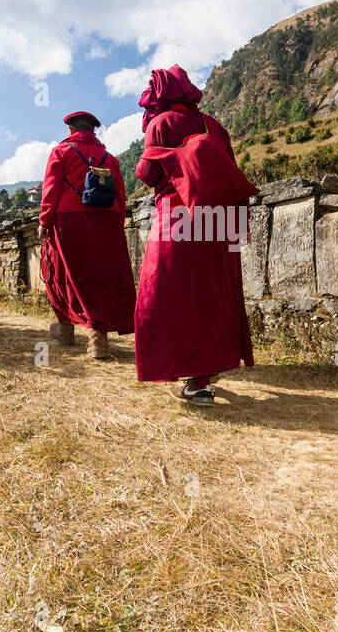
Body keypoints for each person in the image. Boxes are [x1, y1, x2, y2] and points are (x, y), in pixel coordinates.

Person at [133, 65, 257, 406]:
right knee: (212, 294)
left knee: (163, 295)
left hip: (179, 215)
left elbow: (147, 172)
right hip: (218, 220)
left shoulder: (160, 124)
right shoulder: (213, 125)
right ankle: (206, 371)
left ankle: (195, 379)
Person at [38, 111, 136, 359]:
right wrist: (117, 220)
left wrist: (44, 220)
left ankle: (67, 328)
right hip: (107, 219)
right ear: (93, 132)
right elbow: (120, 194)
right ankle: (97, 338)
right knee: (102, 274)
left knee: (64, 273)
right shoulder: (110, 159)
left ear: (71, 130)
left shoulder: (61, 152)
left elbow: (51, 190)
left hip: (69, 217)